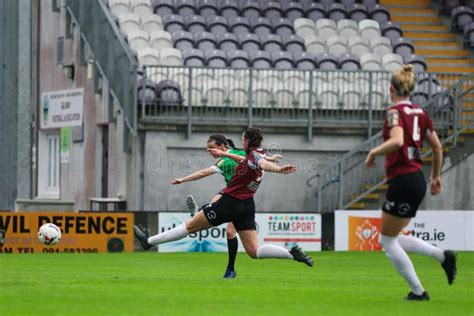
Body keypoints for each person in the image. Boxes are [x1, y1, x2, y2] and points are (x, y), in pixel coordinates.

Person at [135, 127, 313, 270]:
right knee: (254, 250)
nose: (241, 141)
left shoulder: (255, 157)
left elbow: (260, 163)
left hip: (230, 202)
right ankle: (291, 253)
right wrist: (228, 154)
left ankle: (148, 242)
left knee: (189, 226)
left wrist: (279, 169)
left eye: (243, 139)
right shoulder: (256, 153)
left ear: (247, 140)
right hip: (247, 205)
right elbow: (255, 161)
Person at [365, 65, 457, 301]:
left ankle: (419, 291)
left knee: (386, 241)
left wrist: (373, 152)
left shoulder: (394, 112)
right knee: (393, 237)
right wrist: (435, 176)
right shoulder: (421, 113)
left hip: (403, 179)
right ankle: (442, 257)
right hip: (417, 179)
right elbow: (437, 147)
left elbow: (397, 141)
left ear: (390, 89)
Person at [169, 134, 281, 278]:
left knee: (229, 232)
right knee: (213, 206)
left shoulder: (227, 160)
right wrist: (271, 160)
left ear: (222, 146)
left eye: (211, 148)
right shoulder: (234, 156)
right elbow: (258, 159)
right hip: (229, 194)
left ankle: (230, 268)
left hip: (239, 198)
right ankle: (199, 212)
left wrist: (182, 179)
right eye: (207, 148)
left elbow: (204, 172)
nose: (209, 151)